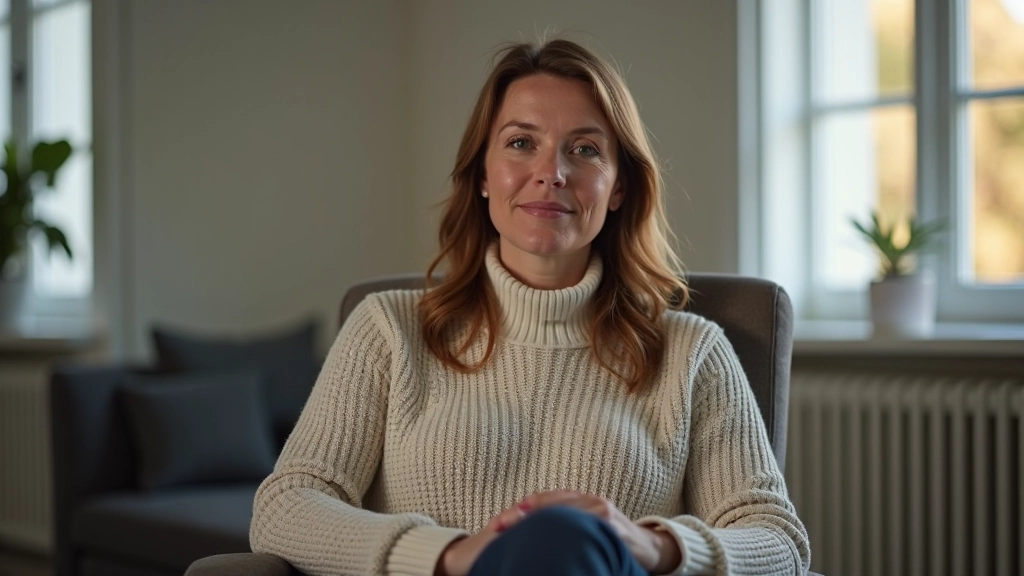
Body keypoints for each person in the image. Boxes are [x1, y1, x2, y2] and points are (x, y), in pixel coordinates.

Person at [250, 38, 811, 576]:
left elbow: (778, 542)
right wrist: (451, 556)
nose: (552, 172)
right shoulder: (388, 329)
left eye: (585, 150)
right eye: (521, 143)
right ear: (484, 176)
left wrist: (651, 543)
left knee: (568, 536)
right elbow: (286, 507)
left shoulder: (691, 352)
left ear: (617, 188)